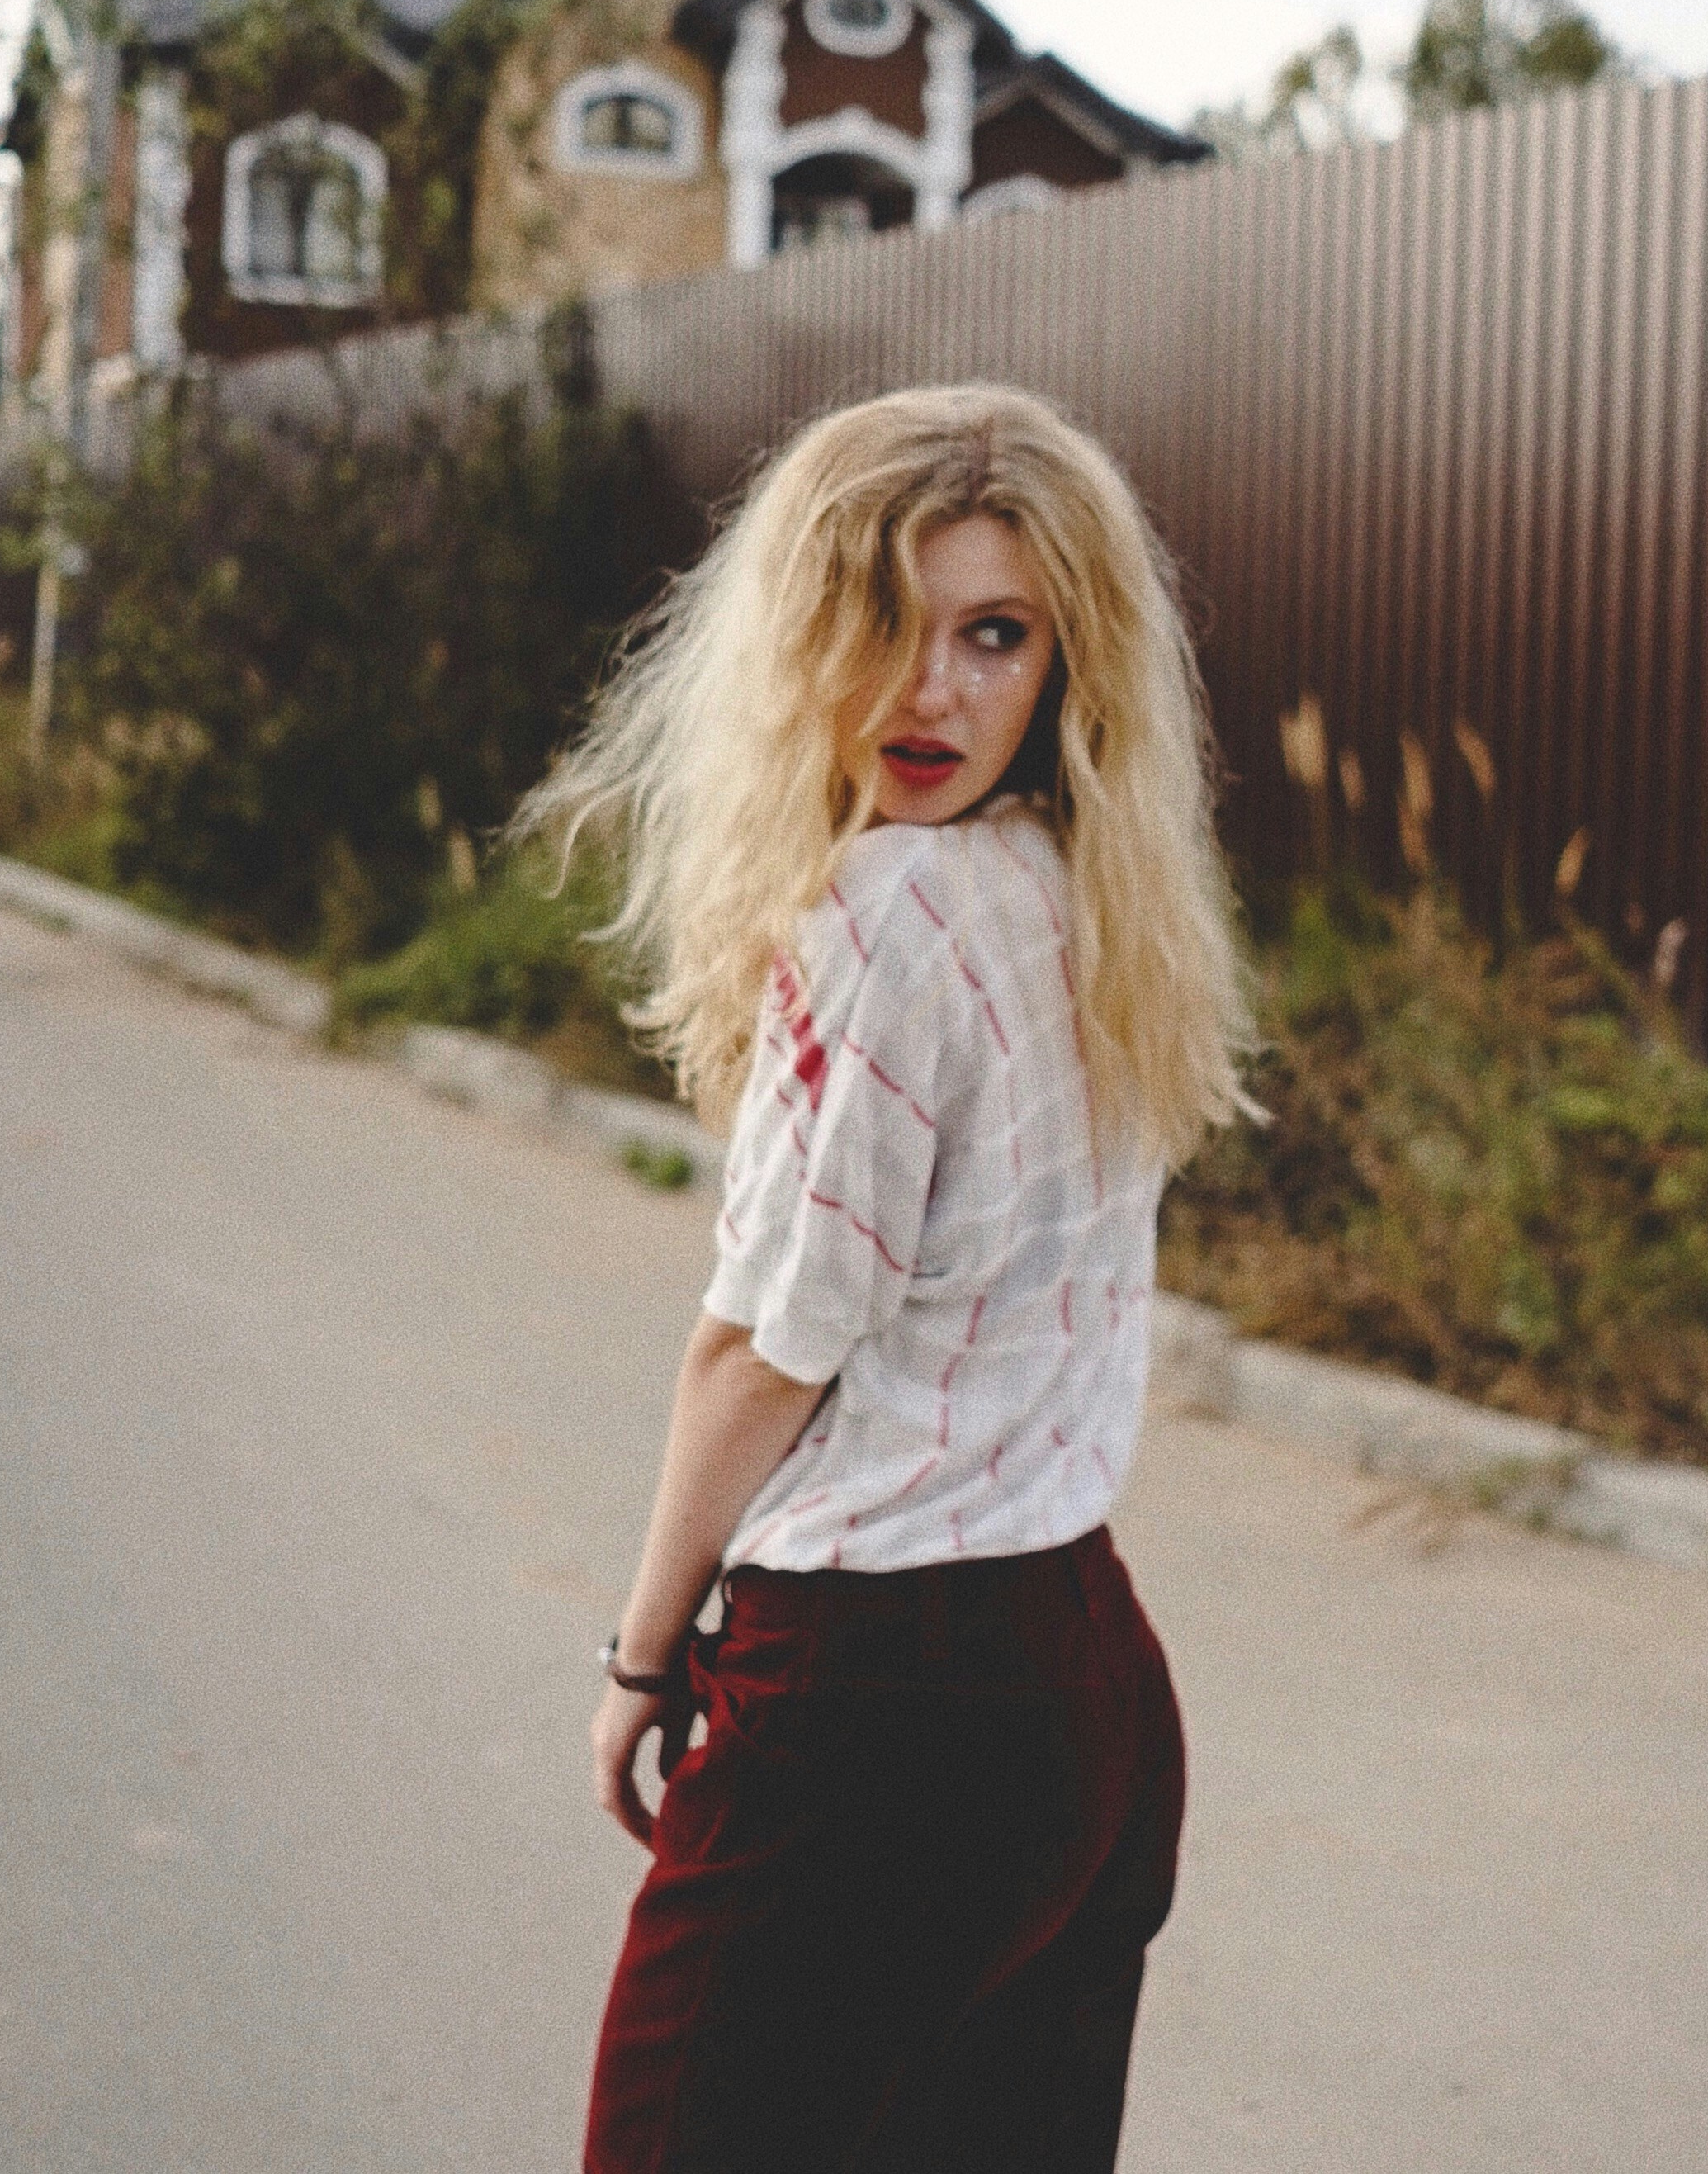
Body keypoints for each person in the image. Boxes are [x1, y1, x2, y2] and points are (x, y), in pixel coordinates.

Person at [519, 383, 1256, 2174]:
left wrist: (638, 1657)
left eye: (992, 635)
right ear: (803, 645)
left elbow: (766, 1355)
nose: (929, 692)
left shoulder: (883, 919)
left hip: (871, 1706)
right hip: (1083, 1696)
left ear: (1065, 657)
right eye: (883, 628)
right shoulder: (1096, 898)